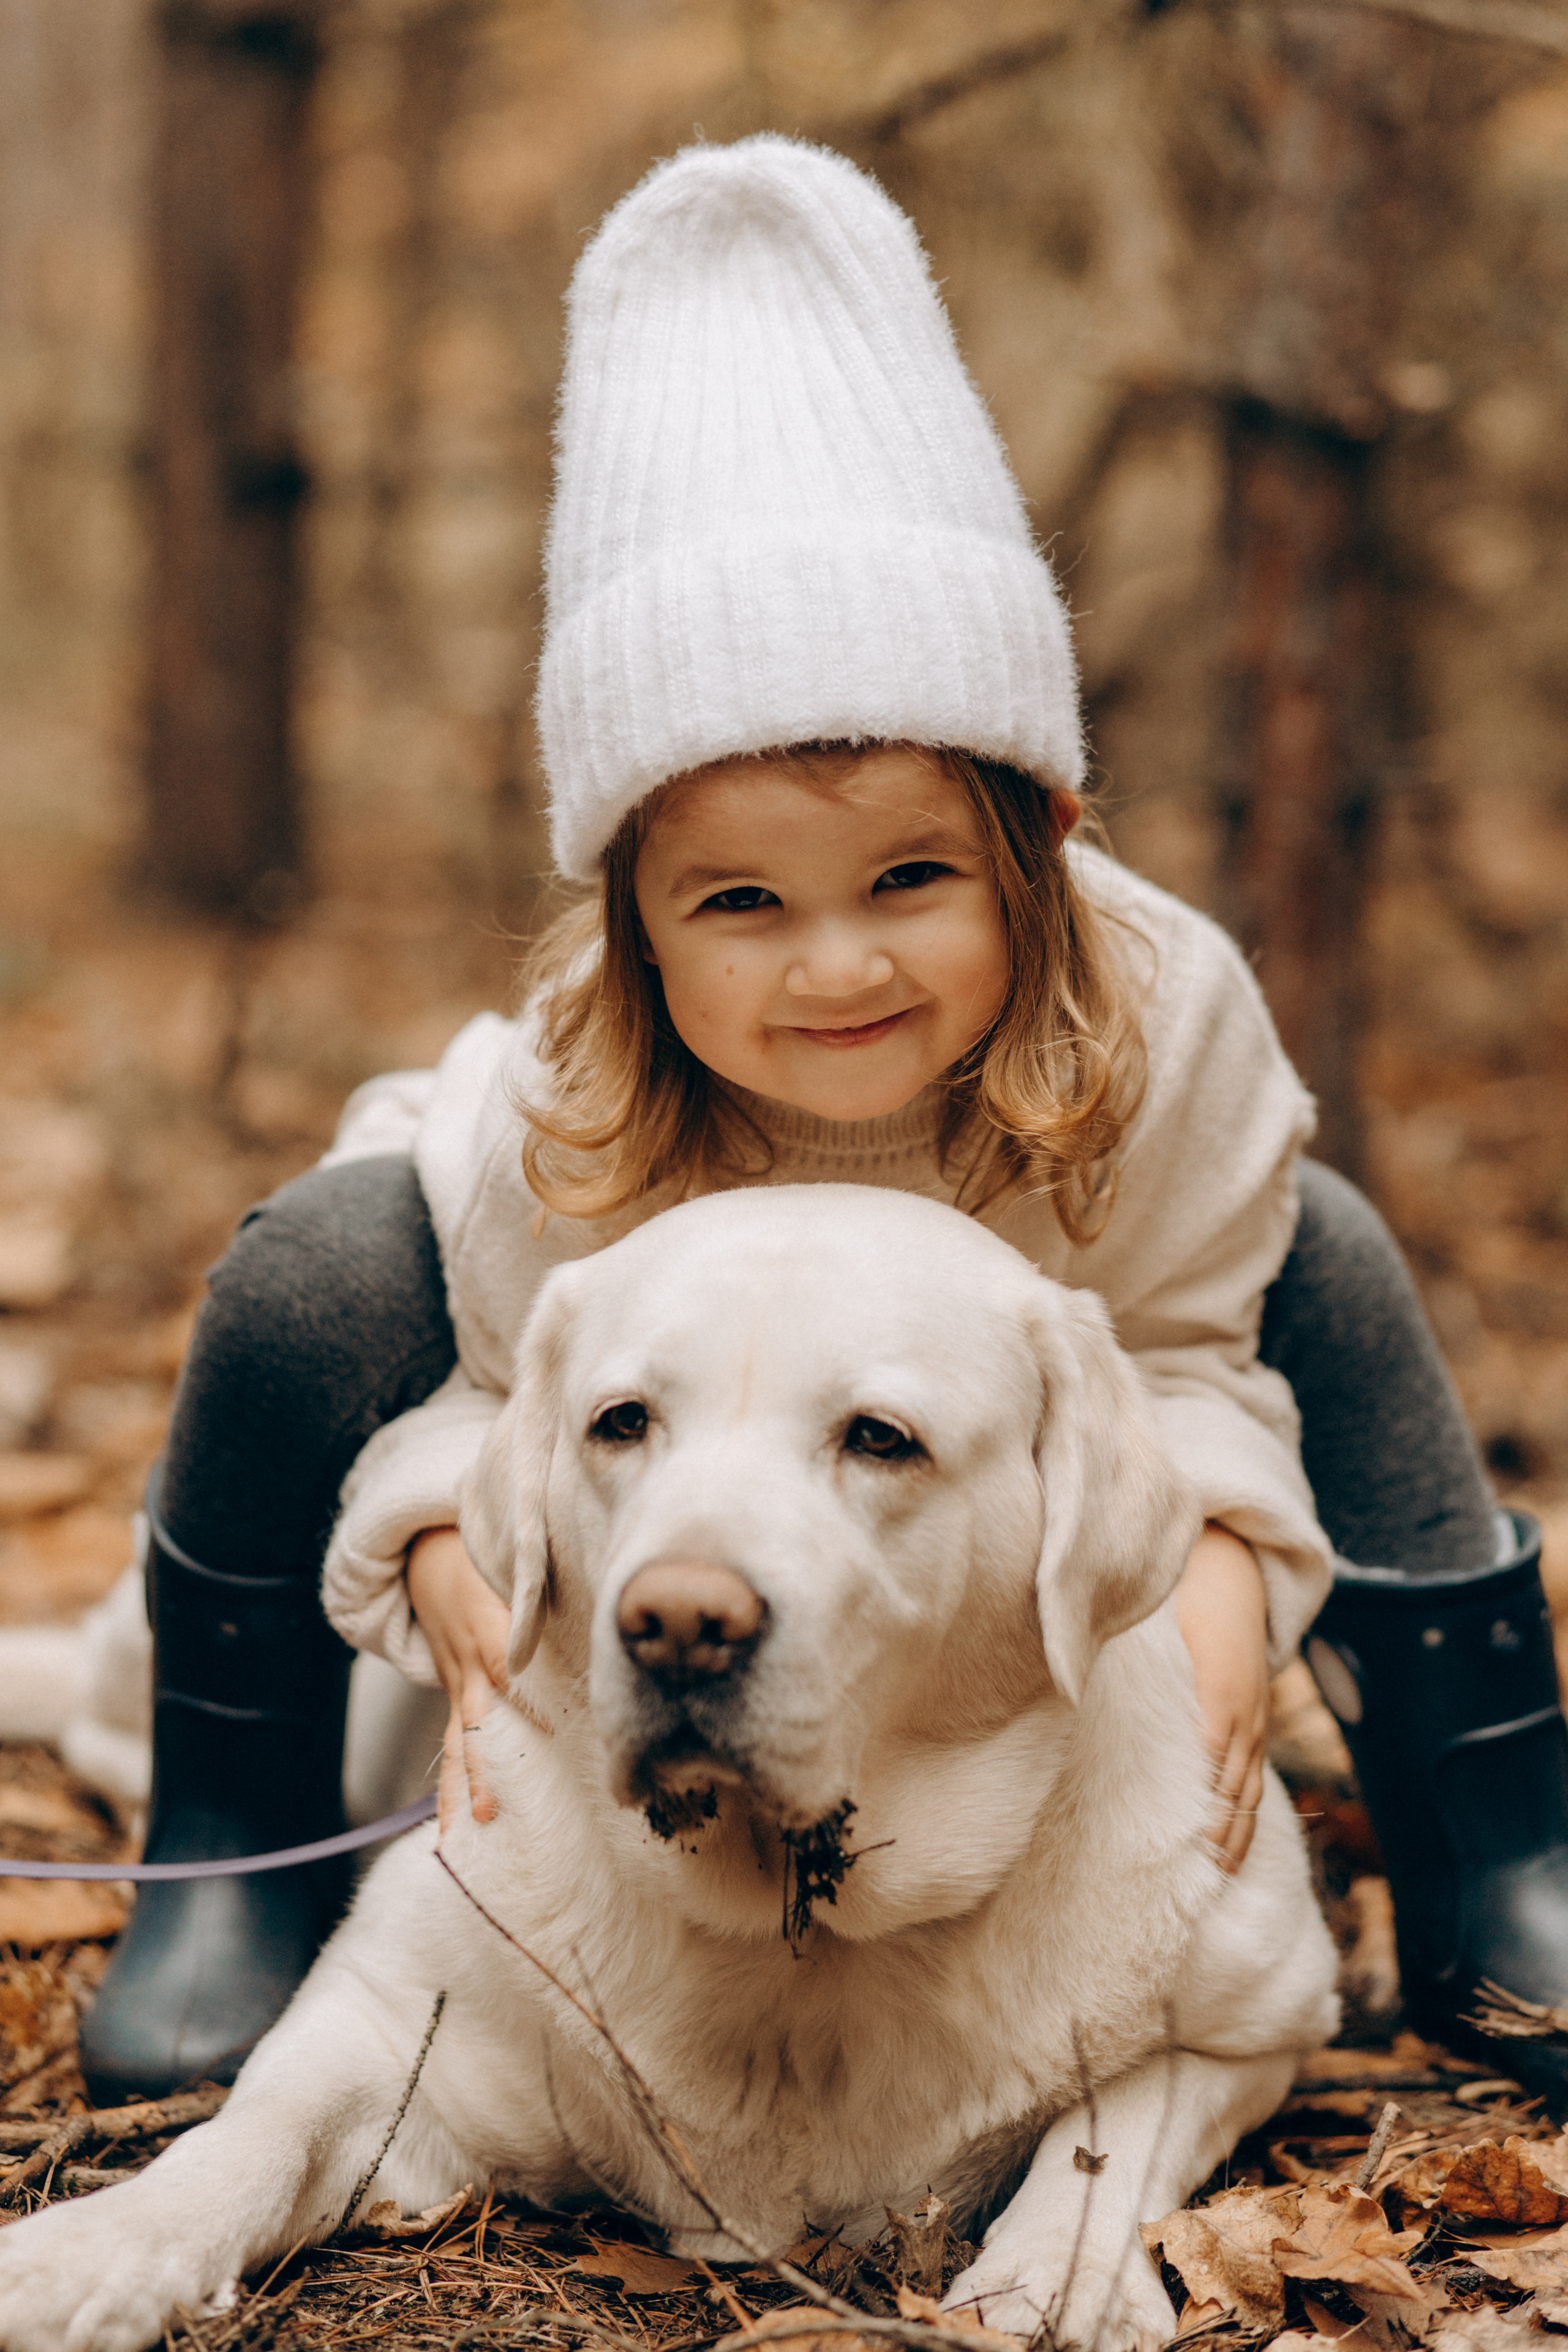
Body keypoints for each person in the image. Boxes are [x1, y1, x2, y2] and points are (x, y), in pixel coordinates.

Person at [81, 135, 1567, 2111]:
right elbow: (508, 1397)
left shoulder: (1164, 1019)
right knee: (320, 1264)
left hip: (923, 1561)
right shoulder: (574, 1105)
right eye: (740, 903)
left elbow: (1186, 1352)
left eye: (911, 879)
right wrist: (439, 1536)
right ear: (632, 912)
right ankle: (230, 1846)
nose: (837, 966)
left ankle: (1496, 1845)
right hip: (635, 1505)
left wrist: (1225, 1566)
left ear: (1038, 836)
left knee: (1338, 1246)